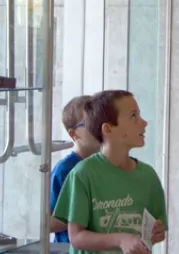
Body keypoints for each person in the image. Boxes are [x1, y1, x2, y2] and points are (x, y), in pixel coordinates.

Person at [53, 90, 168, 254]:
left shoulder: (148, 176)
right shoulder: (82, 174)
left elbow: (158, 230)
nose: (144, 123)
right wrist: (120, 239)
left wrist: (157, 232)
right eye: (133, 116)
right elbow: (77, 237)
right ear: (108, 129)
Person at [50, 95, 100, 243]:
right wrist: (80, 216)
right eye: (90, 123)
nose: (98, 127)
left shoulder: (107, 165)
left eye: (100, 121)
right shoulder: (64, 169)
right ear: (73, 134)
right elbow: (48, 222)